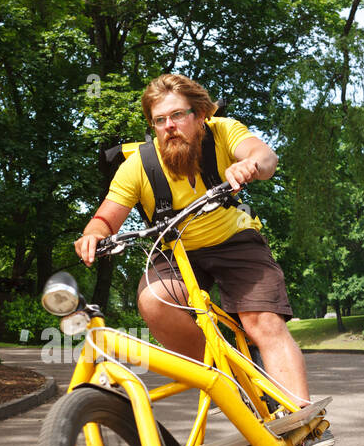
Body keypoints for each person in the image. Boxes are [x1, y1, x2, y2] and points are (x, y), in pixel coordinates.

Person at [74, 73, 309, 404]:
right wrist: (92, 235)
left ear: (200, 115)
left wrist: (250, 165)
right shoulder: (139, 165)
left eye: (178, 115)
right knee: (153, 301)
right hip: (175, 253)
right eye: (160, 120)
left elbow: (266, 157)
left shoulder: (223, 131)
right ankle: (225, 383)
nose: (169, 126)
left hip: (235, 241)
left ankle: (303, 415)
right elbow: (104, 219)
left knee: (262, 321)